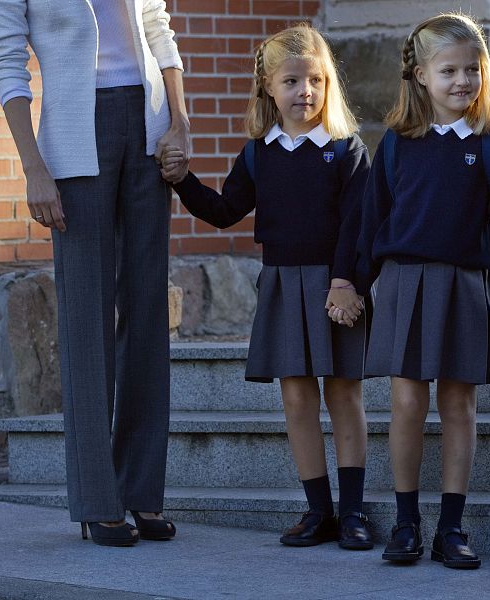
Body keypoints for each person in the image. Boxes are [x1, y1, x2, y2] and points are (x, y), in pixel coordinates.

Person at [160, 24, 373, 551]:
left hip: (337, 284)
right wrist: (182, 180)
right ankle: (318, 511)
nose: (306, 91)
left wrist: (346, 281)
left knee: (343, 393)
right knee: (297, 397)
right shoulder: (259, 153)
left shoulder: (346, 150)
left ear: (329, 86)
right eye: (292, 80)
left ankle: (353, 512)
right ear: (269, 89)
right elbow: (225, 210)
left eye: (317, 81)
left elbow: (359, 224)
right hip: (282, 284)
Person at [0, 0, 189, 546]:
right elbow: (7, 60)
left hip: (147, 131)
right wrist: (34, 167)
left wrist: (180, 123)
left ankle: (142, 493)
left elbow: (156, 28)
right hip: (76, 136)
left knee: (147, 313)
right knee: (86, 320)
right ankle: (98, 501)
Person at [353, 13, 490, 570]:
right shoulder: (396, 145)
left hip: (465, 285)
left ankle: (451, 528)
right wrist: (350, 283)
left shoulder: (489, 146)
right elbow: (371, 221)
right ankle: (407, 523)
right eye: (449, 70)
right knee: (407, 402)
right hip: (406, 284)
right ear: (420, 76)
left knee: (459, 404)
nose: (463, 81)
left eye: (473, 70)